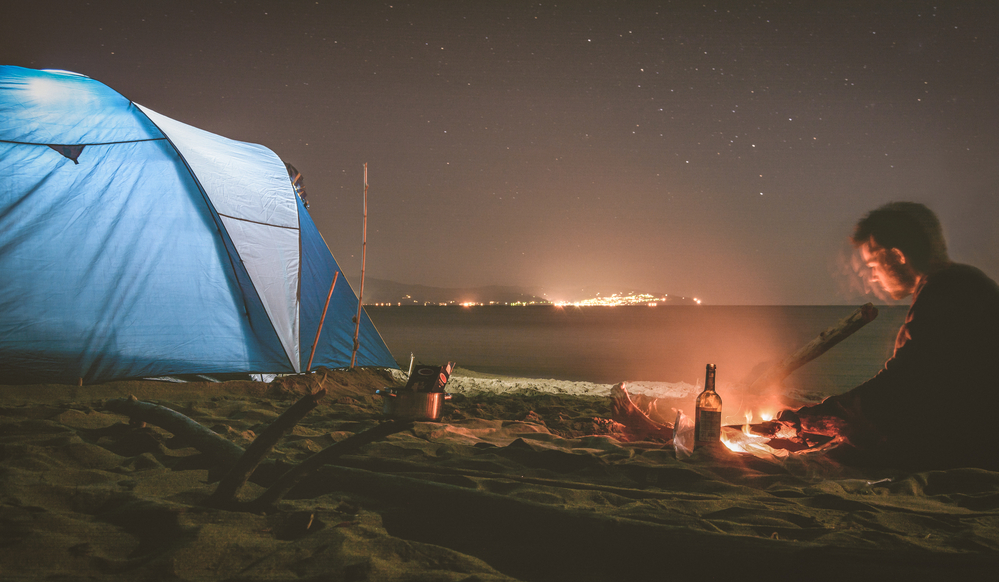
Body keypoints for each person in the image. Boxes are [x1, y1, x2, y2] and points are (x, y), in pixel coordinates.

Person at [777, 202, 999, 470]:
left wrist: (812, 416)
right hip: (976, 432)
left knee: (825, 459)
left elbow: (898, 385)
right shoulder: (963, 282)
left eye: (873, 264)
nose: (872, 277)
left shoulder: (944, 291)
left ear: (896, 256)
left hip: (973, 447)